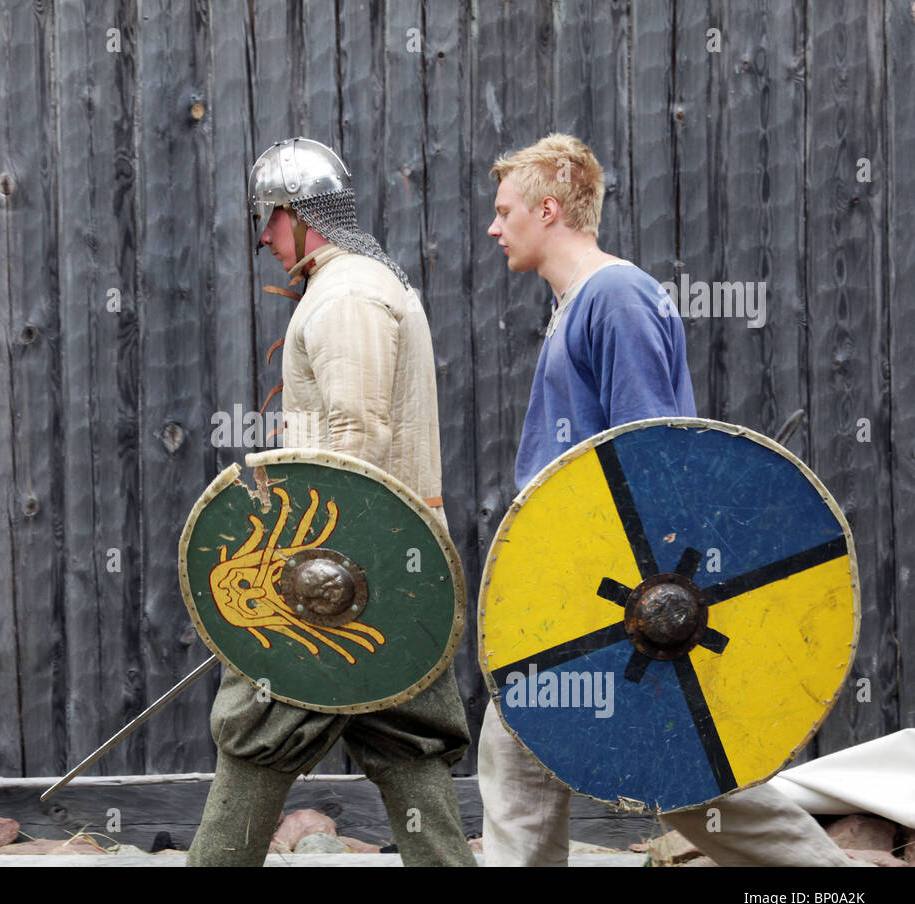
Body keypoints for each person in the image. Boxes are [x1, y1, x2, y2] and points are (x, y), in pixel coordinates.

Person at [478, 132, 852, 866]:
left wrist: (643, 604)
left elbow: (648, 462)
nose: (494, 227)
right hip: (583, 586)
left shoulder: (615, 296)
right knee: (534, 747)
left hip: (618, 594)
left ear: (547, 209)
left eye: (504, 210)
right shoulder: (581, 303)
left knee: (686, 772)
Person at [186, 137, 476, 866]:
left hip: (340, 576)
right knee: (408, 751)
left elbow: (356, 440)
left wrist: (297, 578)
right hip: (392, 573)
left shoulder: (347, 295)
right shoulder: (357, 285)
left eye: (269, 218)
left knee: (256, 737)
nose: (263, 237)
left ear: (298, 212)